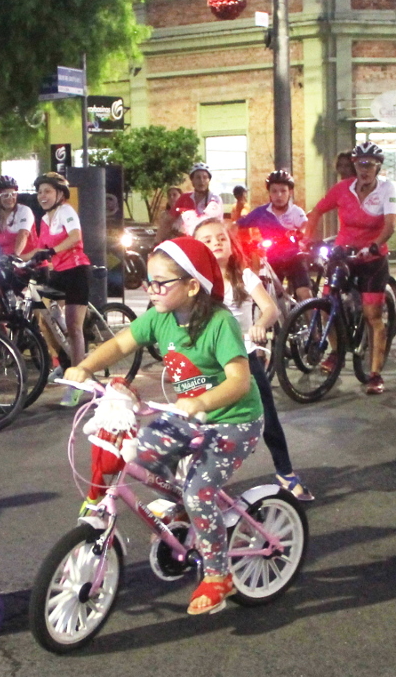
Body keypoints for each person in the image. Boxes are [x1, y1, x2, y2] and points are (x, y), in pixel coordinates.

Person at [64, 236, 265, 617]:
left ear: (192, 286)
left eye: (161, 283)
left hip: (234, 421)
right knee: (139, 454)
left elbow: (239, 381)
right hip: (189, 415)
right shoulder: (159, 317)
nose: (150, 290)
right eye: (148, 281)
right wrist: (86, 366)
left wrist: (203, 401)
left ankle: (218, 575)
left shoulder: (219, 323)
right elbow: (121, 343)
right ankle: (184, 510)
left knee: (198, 492)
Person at [192, 216, 312, 500]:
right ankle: (197, 483)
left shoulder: (243, 275)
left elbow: (270, 309)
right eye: (206, 240)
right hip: (206, 364)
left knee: (267, 416)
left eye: (221, 238)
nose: (216, 243)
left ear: (231, 244)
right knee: (198, 421)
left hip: (243, 357)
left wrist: (260, 324)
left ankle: (285, 472)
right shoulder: (193, 282)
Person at [304, 141, 396, 394]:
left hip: (371, 259)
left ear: (378, 167)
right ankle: (336, 351)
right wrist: (306, 240)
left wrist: (376, 246)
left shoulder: (387, 188)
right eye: (359, 164)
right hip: (344, 254)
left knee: (372, 316)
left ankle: (375, 374)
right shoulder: (343, 188)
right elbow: (316, 212)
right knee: (326, 304)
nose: (363, 169)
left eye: (369, 164)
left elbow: (390, 225)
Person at [27, 171, 92, 405]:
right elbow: (37, 248)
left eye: (47, 191)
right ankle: (65, 360)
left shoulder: (66, 211)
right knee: (42, 312)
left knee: (74, 328)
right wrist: (14, 260)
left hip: (77, 271)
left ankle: (77, 383)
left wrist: (52, 252)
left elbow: (75, 237)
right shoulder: (44, 219)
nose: (41, 196)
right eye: (39, 192)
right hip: (58, 274)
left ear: (59, 194)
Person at [236, 169, 310, 295]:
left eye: (283, 191)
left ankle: (311, 313)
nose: (279, 195)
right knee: (270, 294)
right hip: (272, 258)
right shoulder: (261, 212)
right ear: (269, 193)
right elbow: (238, 225)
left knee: (303, 292)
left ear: (290, 192)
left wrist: (300, 234)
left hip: (294, 257)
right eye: (274, 191)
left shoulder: (296, 212)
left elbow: (305, 226)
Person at [157, 160, 224, 240]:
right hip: (187, 240)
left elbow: (216, 223)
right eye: (198, 177)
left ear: (209, 180)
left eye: (205, 177)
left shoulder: (214, 199)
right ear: (192, 181)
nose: (201, 181)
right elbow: (168, 221)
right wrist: (157, 242)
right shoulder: (184, 198)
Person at [0, 174, 34, 257]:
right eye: (5, 195)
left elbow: (23, 235)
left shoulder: (24, 211)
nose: (10, 198)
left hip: (31, 265)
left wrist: (15, 256)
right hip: (7, 266)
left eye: (13, 194)